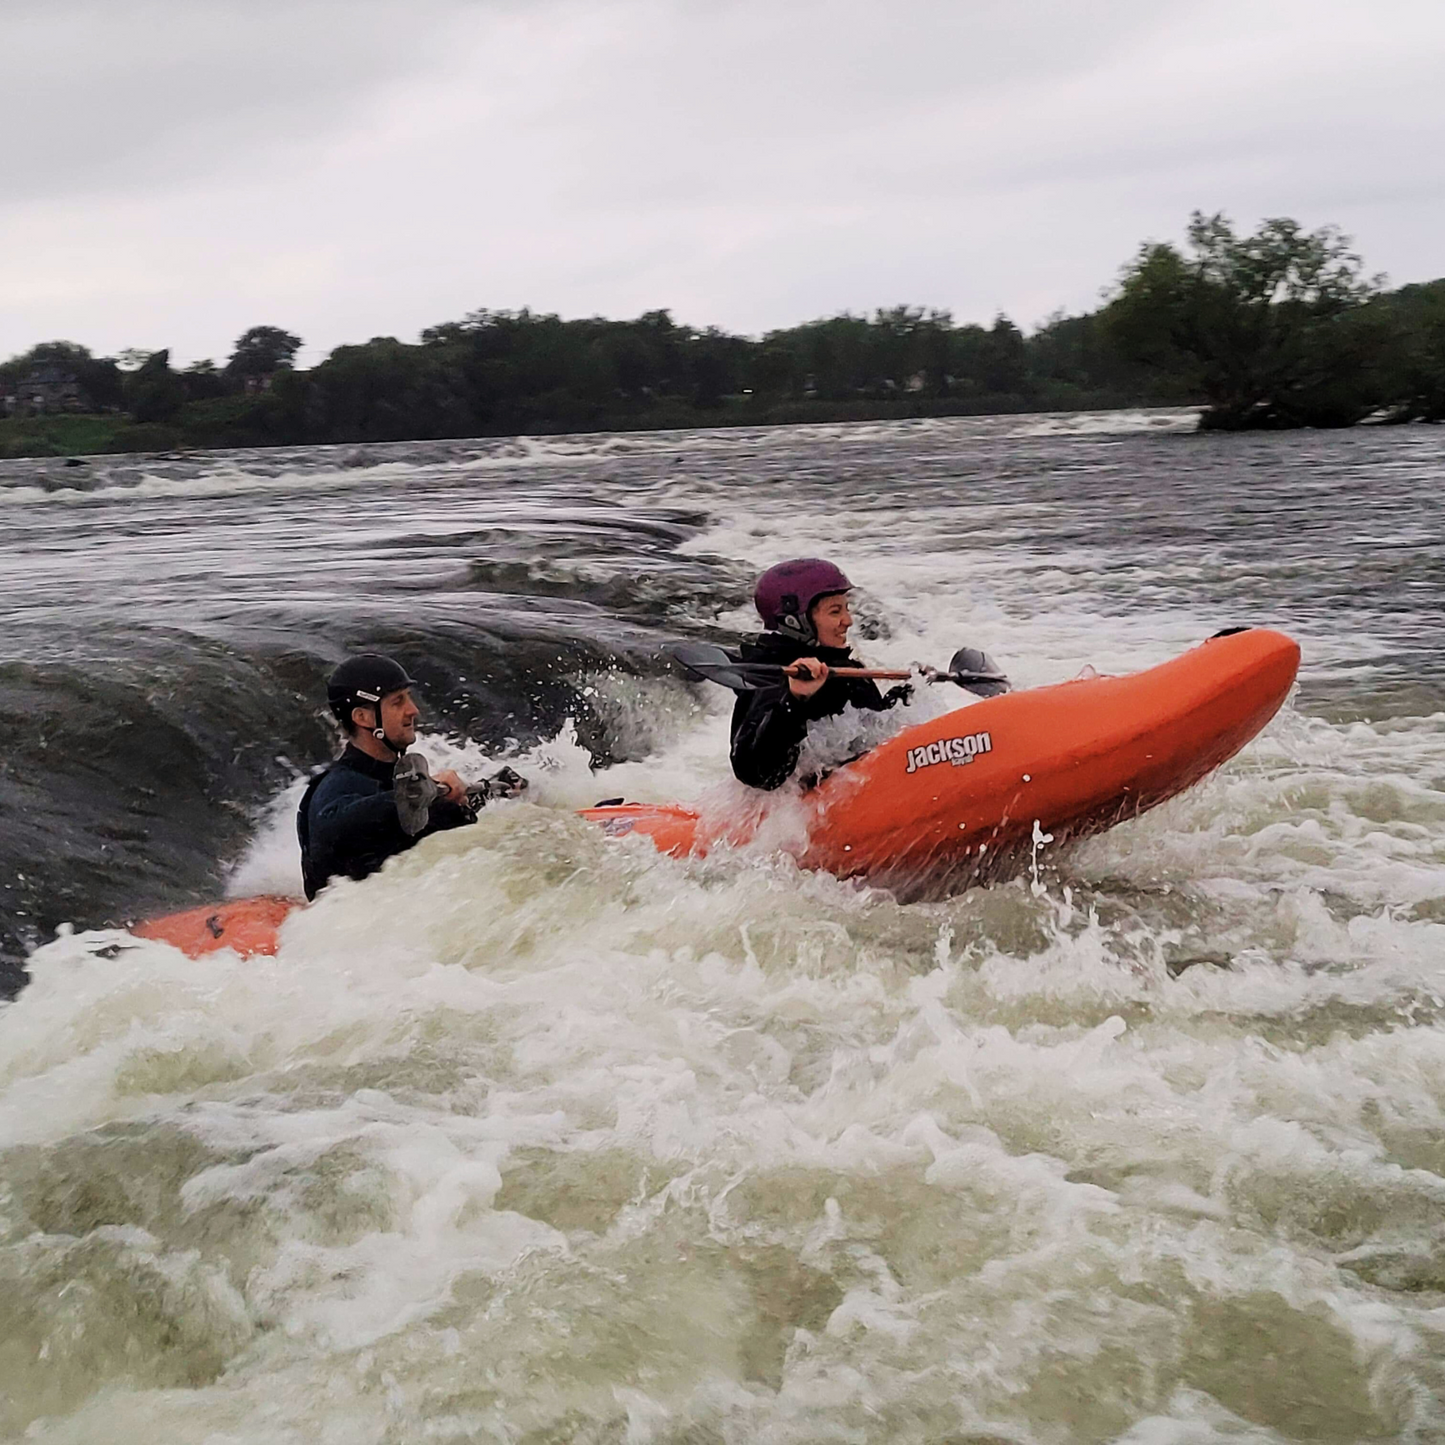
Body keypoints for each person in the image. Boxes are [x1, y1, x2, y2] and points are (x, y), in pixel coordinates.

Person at [298, 654, 505, 900]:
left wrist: (495, 791)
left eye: (409, 697)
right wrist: (424, 791)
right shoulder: (336, 786)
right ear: (362, 717)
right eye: (398, 702)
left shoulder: (395, 782)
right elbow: (333, 824)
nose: (413, 710)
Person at [730, 558, 914, 791]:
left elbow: (875, 728)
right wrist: (795, 701)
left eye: (846, 609)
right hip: (798, 807)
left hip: (854, 786)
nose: (848, 621)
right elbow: (755, 773)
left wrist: (908, 694)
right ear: (795, 622)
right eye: (835, 612)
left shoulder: (845, 670)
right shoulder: (773, 679)